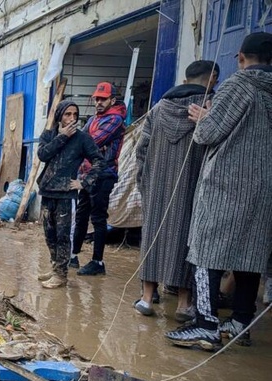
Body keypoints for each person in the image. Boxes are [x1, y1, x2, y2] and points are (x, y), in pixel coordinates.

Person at [166, 32, 272, 350]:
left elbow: (208, 134)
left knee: (205, 252)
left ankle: (206, 324)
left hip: (227, 184)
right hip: (263, 186)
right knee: (249, 255)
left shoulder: (238, 85)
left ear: (240, 58)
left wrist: (204, 117)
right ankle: (241, 321)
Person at [134, 61, 219, 319]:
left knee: (152, 237)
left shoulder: (159, 109)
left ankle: (147, 299)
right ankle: (183, 304)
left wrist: (145, 183)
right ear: (212, 78)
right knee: (187, 239)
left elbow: (141, 149)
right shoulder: (209, 109)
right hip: (193, 189)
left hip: (157, 185)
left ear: (185, 80)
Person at [36, 100, 105, 288]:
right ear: (59, 116)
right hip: (47, 191)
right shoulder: (49, 135)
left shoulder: (82, 138)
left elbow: (99, 161)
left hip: (66, 194)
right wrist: (62, 137)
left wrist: (83, 182)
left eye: (75, 114)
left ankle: (61, 275)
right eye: (68, 114)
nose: (72, 118)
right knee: (49, 234)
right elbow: (42, 155)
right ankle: (54, 267)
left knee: (63, 235)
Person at [70, 81, 127, 276]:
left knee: (98, 218)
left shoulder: (115, 120)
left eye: (103, 99)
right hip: (86, 175)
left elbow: (92, 142)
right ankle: (73, 256)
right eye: (97, 99)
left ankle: (98, 262)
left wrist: (83, 143)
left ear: (112, 99)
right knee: (81, 216)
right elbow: (83, 140)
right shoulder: (94, 119)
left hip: (103, 175)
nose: (98, 103)